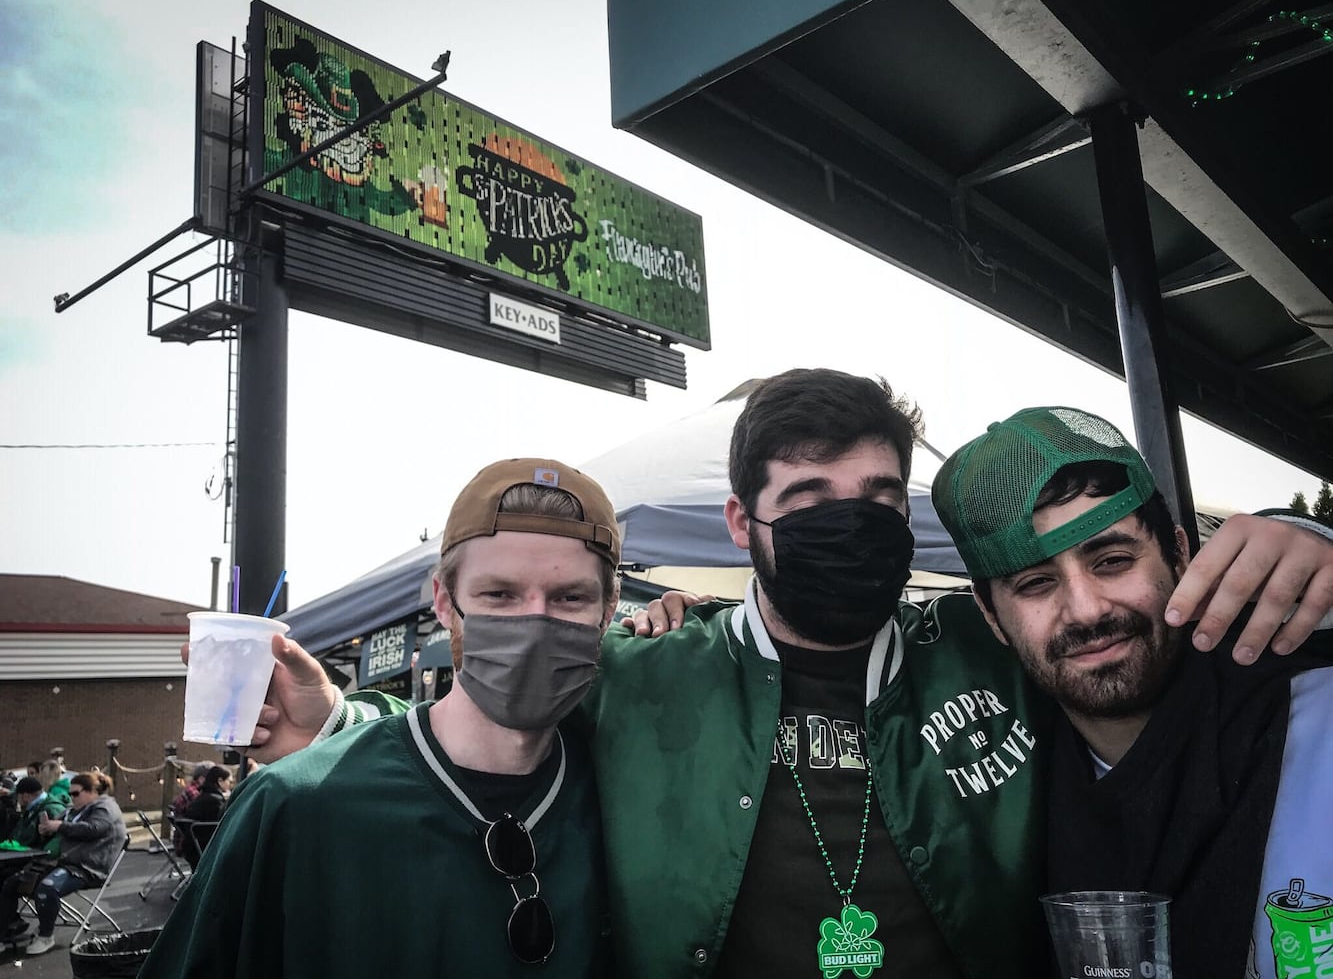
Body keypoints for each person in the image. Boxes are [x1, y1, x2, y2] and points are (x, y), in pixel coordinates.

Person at [237, 370, 1333, 979]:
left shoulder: (993, 643)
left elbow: (1148, 640)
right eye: (808, 501)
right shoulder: (641, 675)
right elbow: (494, 718)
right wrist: (338, 717)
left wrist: (1306, 542)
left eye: (876, 498)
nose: (847, 524)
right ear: (740, 522)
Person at [139, 458, 617, 978]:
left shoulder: (618, 792)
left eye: (571, 598)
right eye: (499, 595)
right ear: (443, 601)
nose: (535, 624)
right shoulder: (291, 805)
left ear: (609, 610)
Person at [931, 406, 1333, 979]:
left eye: (1113, 561)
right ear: (992, 616)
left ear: (1179, 553)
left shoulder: (1312, 716)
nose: (1086, 609)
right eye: (1035, 583)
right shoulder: (1006, 789)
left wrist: (1318, 538)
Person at [0, 771, 127, 957]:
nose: (71, 797)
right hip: (64, 863)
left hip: (88, 868)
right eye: (70, 793)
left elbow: (93, 829)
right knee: (12, 882)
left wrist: (59, 826)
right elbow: (57, 824)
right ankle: (3, 934)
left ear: (92, 791)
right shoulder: (75, 810)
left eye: (76, 793)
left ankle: (46, 936)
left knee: (47, 888)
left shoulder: (105, 808)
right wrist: (46, 828)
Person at [179, 765, 231, 869]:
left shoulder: (202, 797)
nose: (230, 784)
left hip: (192, 847)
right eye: (229, 781)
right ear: (220, 781)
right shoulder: (215, 801)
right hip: (206, 849)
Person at [5, 777, 65, 853]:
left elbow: (57, 840)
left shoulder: (51, 809)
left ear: (26, 796)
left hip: (40, 856)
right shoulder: (32, 809)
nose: (18, 801)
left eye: (18, 797)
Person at [170, 760, 213, 856]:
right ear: (202, 779)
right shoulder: (195, 794)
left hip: (185, 839)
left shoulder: (191, 789)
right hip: (191, 842)